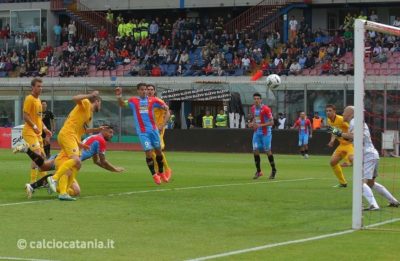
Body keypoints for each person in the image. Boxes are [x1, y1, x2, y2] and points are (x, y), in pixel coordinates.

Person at [15, 126, 124, 198]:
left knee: (43, 166)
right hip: (68, 160)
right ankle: (53, 184)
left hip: (64, 155)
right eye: (110, 132)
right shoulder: (100, 141)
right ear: (103, 131)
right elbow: (103, 161)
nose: (112, 135)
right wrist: (115, 169)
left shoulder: (95, 138)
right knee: (76, 191)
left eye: (112, 133)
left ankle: (27, 152)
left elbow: (96, 161)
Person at [329, 106, 399, 210]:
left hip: (367, 155)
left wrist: (339, 133)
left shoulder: (354, 121)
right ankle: (394, 201)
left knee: (360, 182)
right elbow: (352, 138)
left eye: (344, 112)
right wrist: (339, 133)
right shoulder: (356, 122)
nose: (343, 114)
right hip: (372, 154)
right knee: (371, 183)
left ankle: (373, 205)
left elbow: (353, 136)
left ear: (351, 113)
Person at [47, 91, 102, 201]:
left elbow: (82, 130)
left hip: (72, 137)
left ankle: (64, 192)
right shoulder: (86, 102)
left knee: (77, 165)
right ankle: (54, 178)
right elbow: (75, 98)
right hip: (67, 134)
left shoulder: (89, 115)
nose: (100, 107)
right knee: (76, 160)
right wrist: (90, 95)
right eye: (100, 104)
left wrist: (96, 131)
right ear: (97, 101)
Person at [115, 83, 170, 185]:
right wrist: (119, 96)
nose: (144, 91)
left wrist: (162, 124)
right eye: (142, 89)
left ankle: (161, 172)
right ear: (138, 91)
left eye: (145, 89)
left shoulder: (153, 100)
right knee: (148, 152)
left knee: (158, 151)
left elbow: (166, 109)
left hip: (154, 131)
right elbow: (122, 104)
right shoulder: (133, 101)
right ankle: (154, 175)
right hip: (143, 132)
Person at [20, 78, 52, 183]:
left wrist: (45, 128)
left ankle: (44, 181)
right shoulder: (29, 98)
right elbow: (25, 116)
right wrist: (34, 126)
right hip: (29, 132)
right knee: (38, 154)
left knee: (42, 157)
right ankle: (33, 182)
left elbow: (38, 118)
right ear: (32, 87)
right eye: (38, 86)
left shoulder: (38, 100)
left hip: (37, 133)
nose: (40, 88)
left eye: (41, 86)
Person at [146, 84, 172, 179]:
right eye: (148, 89)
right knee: (150, 150)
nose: (149, 91)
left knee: (157, 149)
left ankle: (167, 169)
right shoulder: (144, 102)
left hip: (158, 128)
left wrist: (162, 126)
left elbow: (168, 113)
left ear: (154, 91)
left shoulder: (158, 101)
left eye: (151, 89)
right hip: (148, 129)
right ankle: (158, 171)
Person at [249, 93, 277, 180]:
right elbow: (255, 118)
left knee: (267, 151)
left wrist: (260, 125)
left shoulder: (266, 109)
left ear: (261, 100)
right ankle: (259, 171)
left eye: (258, 99)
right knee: (255, 150)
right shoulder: (253, 108)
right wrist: (252, 123)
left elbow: (272, 122)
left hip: (266, 133)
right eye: (255, 99)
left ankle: (273, 170)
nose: (256, 100)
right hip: (257, 133)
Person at [326, 104, 353, 188]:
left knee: (352, 160)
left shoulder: (341, 119)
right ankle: (343, 183)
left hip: (350, 144)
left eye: (330, 111)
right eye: (327, 111)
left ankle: (364, 182)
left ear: (334, 111)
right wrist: (332, 141)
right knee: (333, 162)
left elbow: (351, 128)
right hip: (342, 145)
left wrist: (349, 137)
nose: (328, 112)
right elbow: (334, 131)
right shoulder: (329, 121)